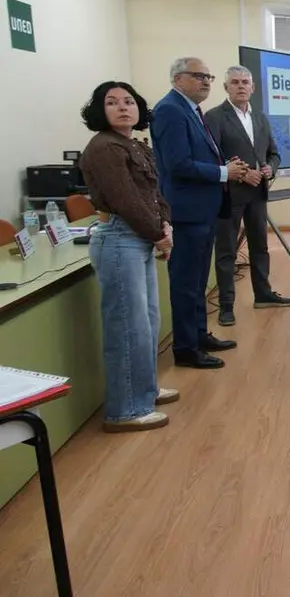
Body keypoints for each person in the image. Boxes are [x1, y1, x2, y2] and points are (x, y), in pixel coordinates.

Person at [79, 81, 179, 432]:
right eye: (112, 102)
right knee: (126, 326)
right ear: (99, 110)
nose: (123, 107)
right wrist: (158, 234)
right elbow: (126, 201)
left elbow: (154, 193)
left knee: (147, 323)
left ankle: (145, 393)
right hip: (120, 238)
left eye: (128, 101)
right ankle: (124, 410)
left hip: (138, 237)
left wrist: (164, 224)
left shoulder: (132, 144)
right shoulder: (104, 147)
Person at [152, 56, 245, 370]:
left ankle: (198, 335)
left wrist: (224, 164)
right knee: (185, 284)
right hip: (186, 213)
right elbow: (178, 166)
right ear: (177, 79)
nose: (206, 81)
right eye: (198, 76)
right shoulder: (169, 111)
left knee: (198, 282)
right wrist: (223, 172)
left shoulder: (190, 109)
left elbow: (197, 155)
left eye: (208, 76)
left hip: (202, 211)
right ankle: (185, 349)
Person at [203, 65, 290, 329]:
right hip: (229, 195)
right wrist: (242, 174)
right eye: (235, 82)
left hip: (258, 193)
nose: (241, 86)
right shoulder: (214, 117)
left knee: (260, 247)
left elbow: (274, 154)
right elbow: (214, 157)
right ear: (226, 88)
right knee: (226, 251)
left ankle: (263, 295)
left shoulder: (261, 118)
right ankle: (226, 306)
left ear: (253, 87)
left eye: (245, 82)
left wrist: (270, 168)